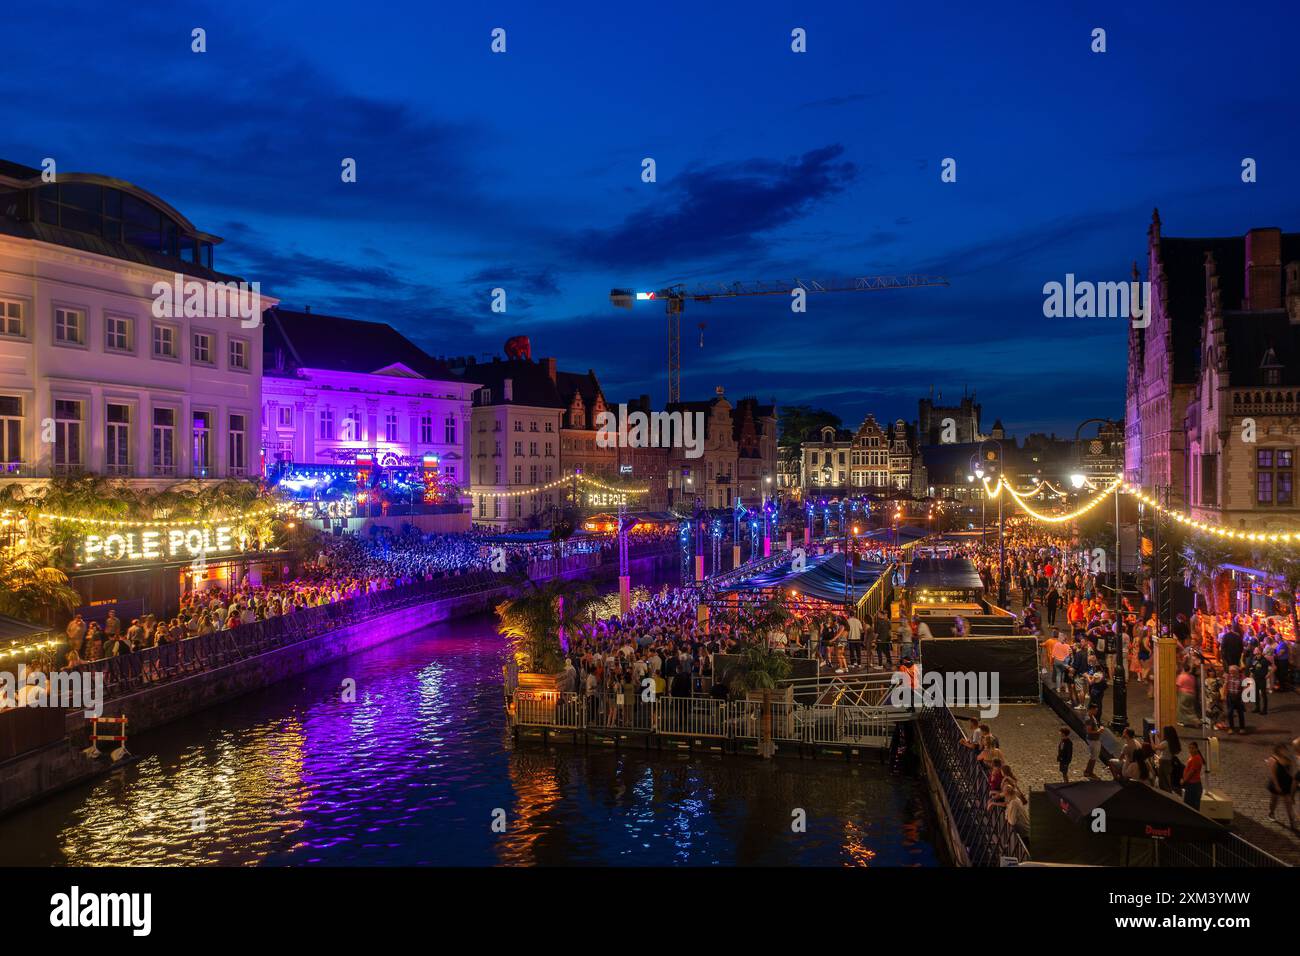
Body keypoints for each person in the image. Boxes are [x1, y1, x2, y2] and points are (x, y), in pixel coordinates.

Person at [1266, 743, 1297, 831]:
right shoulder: (1273, 759)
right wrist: (1277, 785)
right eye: (1282, 749)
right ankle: (1271, 813)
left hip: (1287, 783)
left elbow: (1291, 772)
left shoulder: (1288, 759)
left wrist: (1294, 782)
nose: (1284, 751)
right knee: (1274, 801)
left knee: (1288, 803)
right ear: (1277, 749)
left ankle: (1292, 822)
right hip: (1277, 783)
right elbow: (1273, 774)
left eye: (1284, 749)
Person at [1224, 664, 1247, 734]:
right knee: (1230, 712)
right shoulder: (1228, 677)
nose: (1231, 673)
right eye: (1230, 671)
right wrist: (1224, 695)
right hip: (1230, 696)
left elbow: (1245, 687)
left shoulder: (1241, 677)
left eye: (1233, 671)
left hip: (1238, 696)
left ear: (1236, 671)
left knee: (1240, 713)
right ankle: (1231, 728)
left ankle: (1242, 728)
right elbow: (1225, 686)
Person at [1082, 704, 1103, 779]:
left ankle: (1088, 771)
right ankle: (1089, 772)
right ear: (1091, 709)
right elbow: (1089, 731)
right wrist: (1099, 731)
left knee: (1093, 757)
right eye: (1095, 710)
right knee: (1094, 757)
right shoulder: (1088, 719)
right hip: (1093, 740)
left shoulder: (1092, 716)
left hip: (1095, 739)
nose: (1096, 712)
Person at [1182, 741, 1204, 811]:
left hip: (1194, 786)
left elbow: (1192, 772)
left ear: (1197, 749)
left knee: (1191, 807)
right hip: (1191, 785)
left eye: (1193, 748)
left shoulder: (1196, 758)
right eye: (1190, 748)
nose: (1191, 750)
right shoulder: (1193, 757)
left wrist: (1184, 780)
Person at [1175, 663, 1199, 728]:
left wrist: (1176, 693)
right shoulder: (1192, 677)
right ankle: (1196, 720)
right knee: (1190, 709)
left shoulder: (1181, 676)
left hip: (1183, 694)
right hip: (1192, 694)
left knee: (1181, 708)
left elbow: (1178, 685)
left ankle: (1181, 721)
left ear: (1183, 669)